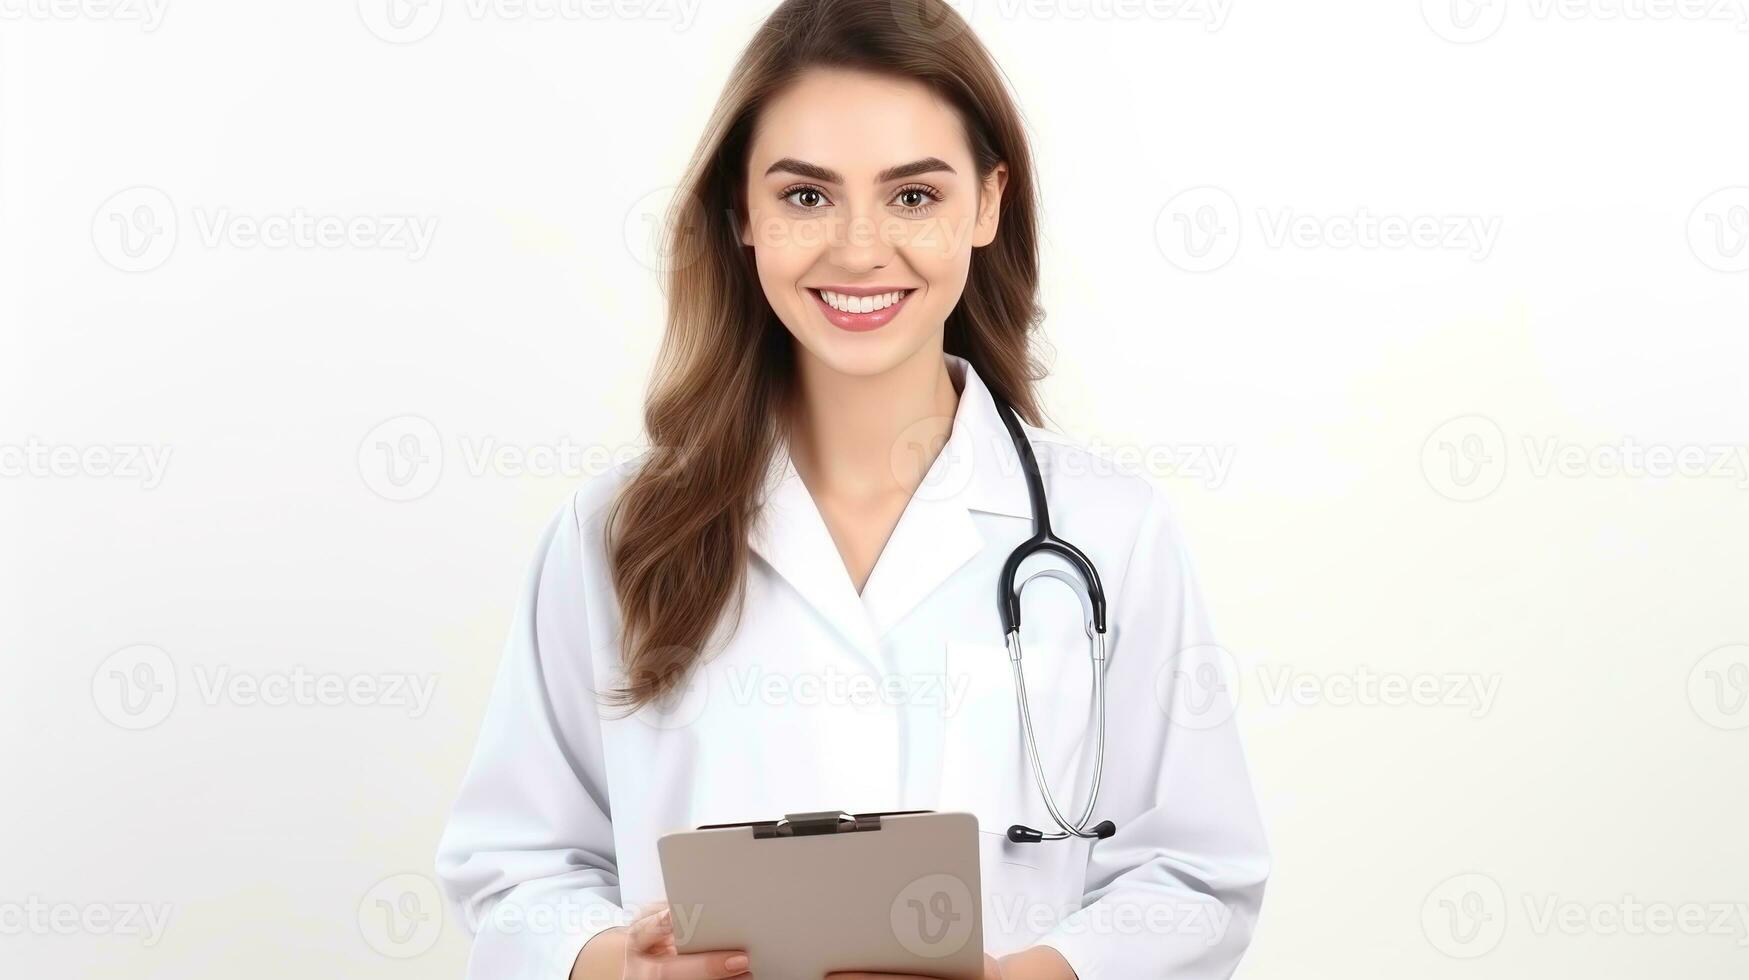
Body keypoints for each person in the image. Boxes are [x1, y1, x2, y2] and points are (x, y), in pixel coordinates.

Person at [435, 1, 1269, 976]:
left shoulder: (1109, 529)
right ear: (742, 211)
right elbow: (512, 864)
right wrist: (616, 962)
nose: (861, 248)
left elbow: (1198, 875)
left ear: (988, 204)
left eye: (914, 196)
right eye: (807, 197)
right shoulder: (614, 532)